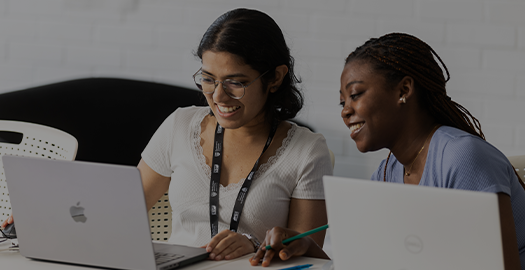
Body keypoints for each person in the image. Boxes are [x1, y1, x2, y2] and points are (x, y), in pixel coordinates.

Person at [253, 32, 524, 270]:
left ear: (404, 90)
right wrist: (306, 246)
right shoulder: (387, 173)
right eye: (341, 102)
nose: (346, 111)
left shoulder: (462, 157)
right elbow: (367, 260)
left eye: (356, 95)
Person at [138, 8, 332, 262]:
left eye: (236, 83)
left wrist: (254, 245)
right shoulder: (179, 125)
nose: (218, 96)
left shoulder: (307, 151)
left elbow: (307, 258)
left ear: (275, 77)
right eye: (208, 79)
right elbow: (123, 212)